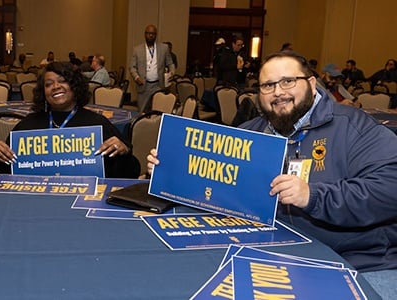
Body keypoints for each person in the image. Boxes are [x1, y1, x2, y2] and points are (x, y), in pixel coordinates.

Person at [147, 50, 397, 299]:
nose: (278, 92)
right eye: (268, 85)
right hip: (270, 260)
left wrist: (313, 196)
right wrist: (170, 169)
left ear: (311, 84)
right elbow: (214, 187)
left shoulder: (354, 127)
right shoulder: (249, 134)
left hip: (358, 265)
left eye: (288, 81)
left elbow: (389, 189)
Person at [0, 61, 140, 178]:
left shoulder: (98, 124)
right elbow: (2, 170)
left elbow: (130, 174)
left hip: (85, 200)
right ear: (43, 92)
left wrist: (124, 152)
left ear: (74, 86)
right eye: (48, 84)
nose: (55, 86)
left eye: (62, 81)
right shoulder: (28, 124)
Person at [129, 24, 175, 113]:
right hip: (144, 86)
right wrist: (136, 77)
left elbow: (170, 63)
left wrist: (172, 72)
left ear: (156, 35)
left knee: (158, 111)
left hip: (158, 85)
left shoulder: (164, 48)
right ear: (145, 34)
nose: (150, 35)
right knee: (142, 112)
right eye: (148, 33)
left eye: (153, 34)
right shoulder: (137, 49)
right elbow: (132, 67)